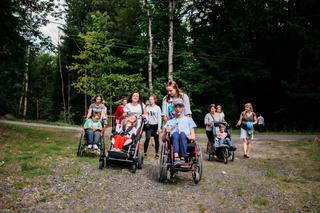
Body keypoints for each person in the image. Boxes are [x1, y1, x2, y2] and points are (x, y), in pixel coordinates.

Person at [163, 98, 197, 166]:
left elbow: (193, 137)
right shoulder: (170, 122)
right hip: (173, 141)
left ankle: (182, 157)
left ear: (183, 108)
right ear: (173, 108)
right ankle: (176, 157)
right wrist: (166, 132)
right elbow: (163, 139)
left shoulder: (189, 120)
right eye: (176, 106)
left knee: (182, 134)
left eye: (180, 106)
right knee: (175, 134)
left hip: (186, 140)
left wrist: (184, 136)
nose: (178, 108)